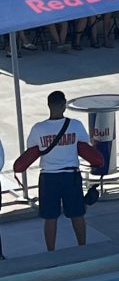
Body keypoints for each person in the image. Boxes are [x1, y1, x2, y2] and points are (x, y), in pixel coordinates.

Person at [27, 90, 92, 252]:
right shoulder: (76, 125)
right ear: (64, 106)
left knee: (50, 218)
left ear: (48, 105)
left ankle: (51, 252)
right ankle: (82, 248)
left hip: (48, 177)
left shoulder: (38, 128)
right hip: (71, 176)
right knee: (77, 214)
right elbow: (85, 146)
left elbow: (31, 149)